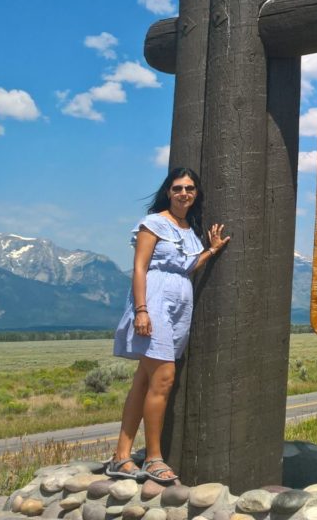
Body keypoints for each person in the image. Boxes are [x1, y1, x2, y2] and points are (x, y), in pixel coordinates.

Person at [107, 168, 229, 484]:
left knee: (144, 381)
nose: (184, 193)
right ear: (168, 192)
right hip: (155, 301)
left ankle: (121, 456)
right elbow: (139, 267)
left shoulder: (189, 230)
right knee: (163, 378)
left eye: (189, 188)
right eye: (177, 188)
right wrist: (142, 310)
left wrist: (211, 251)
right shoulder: (154, 224)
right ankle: (153, 457)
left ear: (196, 193)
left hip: (180, 307)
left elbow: (187, 267)